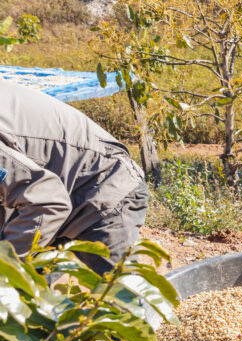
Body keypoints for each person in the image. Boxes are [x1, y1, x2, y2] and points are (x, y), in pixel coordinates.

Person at [0, 79, 148, 274]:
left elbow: (48, 202)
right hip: (46, 197)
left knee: (121, 295)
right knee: (29, 298)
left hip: (102, 187)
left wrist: (5, 270)